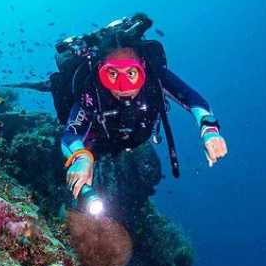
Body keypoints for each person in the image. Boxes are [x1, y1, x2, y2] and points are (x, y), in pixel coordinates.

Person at [62, 40, 227, 199]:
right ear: (100, 70)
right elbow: (70, 132)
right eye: (112, 74)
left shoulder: (155, 75)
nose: (122, 87)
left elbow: (194, 99)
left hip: (138, 136)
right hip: (101, 139)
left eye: (131, 73)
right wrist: (82, 156)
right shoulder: (92, 89)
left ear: (143, 67)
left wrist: (209, 130)